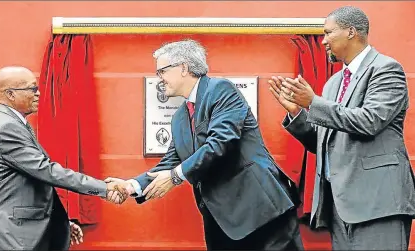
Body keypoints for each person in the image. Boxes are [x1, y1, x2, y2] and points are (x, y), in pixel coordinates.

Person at [106, 39, 304, 250]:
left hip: (261, 211)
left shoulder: (221, 89)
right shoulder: (179, 117)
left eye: (162, 71)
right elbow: (170, 162)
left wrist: (175, 177)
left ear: (183, 68)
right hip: (220, 222)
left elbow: (220, 143)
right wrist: (130, 186)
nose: (159, 79)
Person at [268, 6, 415, 250]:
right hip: (339, 206)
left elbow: (369, 121)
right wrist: (297, 112)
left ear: (351, 32)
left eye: (328, 33)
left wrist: (313, 102)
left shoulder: (386, 69)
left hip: (377, 203)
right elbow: (325, 141)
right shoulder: (333, 83)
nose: (323, 40)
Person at [0, 66, 129, 251]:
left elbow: (28, 183)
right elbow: (48, 172)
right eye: (32, 89)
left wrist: (59, 223)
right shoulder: (7, 128)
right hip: (9, 233)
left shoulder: (11, 123)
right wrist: (104, 188)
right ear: (10, 94)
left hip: (15, 231)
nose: (38, 94)